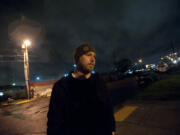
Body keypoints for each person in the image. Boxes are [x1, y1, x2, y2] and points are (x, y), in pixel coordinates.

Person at [47, 44, 116, 135]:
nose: (93, 60)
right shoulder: (61, 87)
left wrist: (112, 129)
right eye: (88, 55)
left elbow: (108, 109)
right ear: (78, 58)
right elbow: (54, 121)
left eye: (94, 56)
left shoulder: (99, 82)